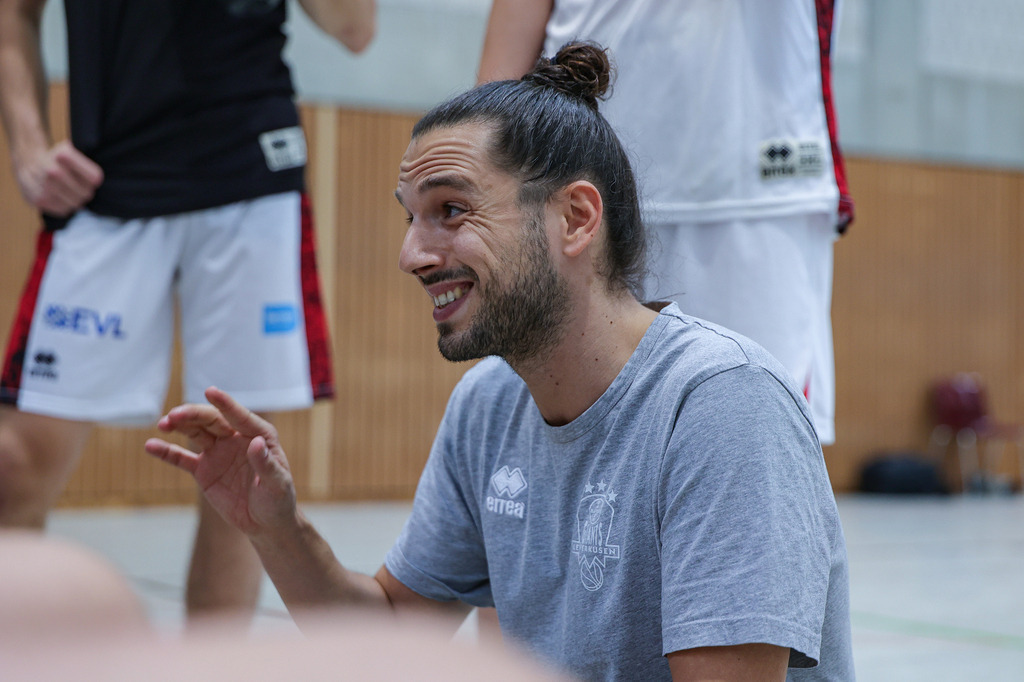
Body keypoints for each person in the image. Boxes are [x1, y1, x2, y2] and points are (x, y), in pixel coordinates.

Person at [145, 43, 854, 680]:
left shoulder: (724, 405)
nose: (412, 255)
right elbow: (390, 630)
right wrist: (277, 528)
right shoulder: (489, 404)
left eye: (451, 211)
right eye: (410, 217)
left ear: (576, 218)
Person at [0, 0, 374, 622]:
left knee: (238, 473)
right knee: (13, 468)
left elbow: (356, 30)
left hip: (248, 176)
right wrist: (28, 148)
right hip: (106, 181)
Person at [477, 0, 854, 446]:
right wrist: (490, 170)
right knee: (571, 442)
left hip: (755, 182)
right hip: (575, 179)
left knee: (753, 439)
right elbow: (502, 65)